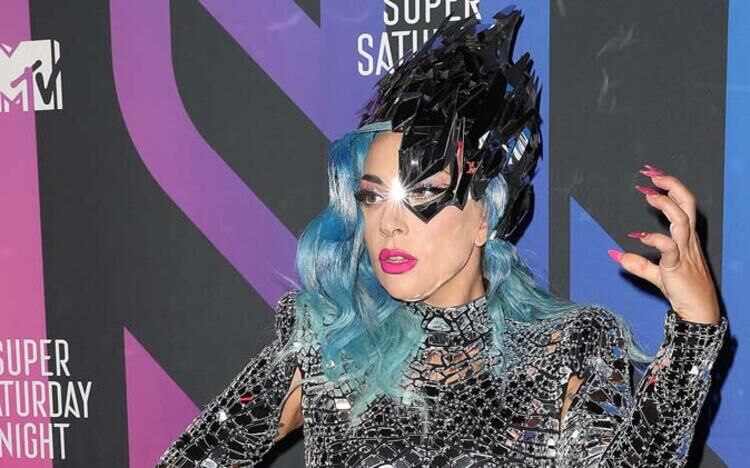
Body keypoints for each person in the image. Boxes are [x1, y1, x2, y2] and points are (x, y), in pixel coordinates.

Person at [156, 9, 727, 468]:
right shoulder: (326, 346)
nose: (390, 223)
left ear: (486, 217)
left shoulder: (568, 349)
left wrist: (695, 332)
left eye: (422, 192)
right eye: (373, 197)